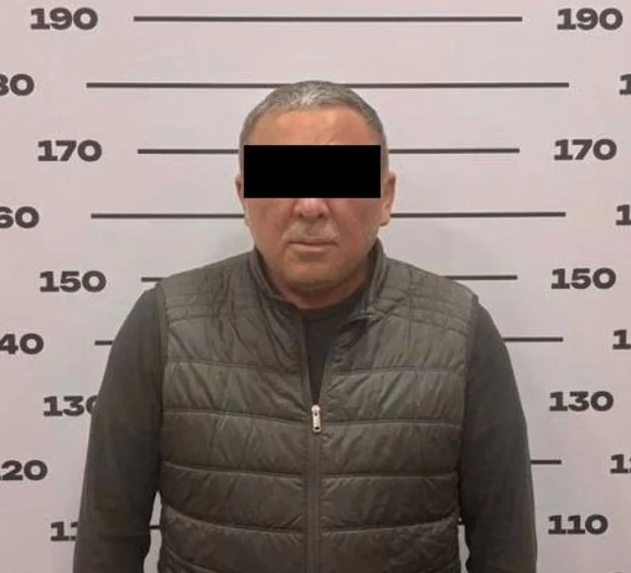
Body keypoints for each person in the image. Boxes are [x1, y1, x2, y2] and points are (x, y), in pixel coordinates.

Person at [72, 79, 537, 573]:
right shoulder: (166, 325)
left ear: (385, 197)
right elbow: (108, 541)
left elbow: (504, 547)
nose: (310, 205)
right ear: (244, 195)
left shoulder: (458, 331)